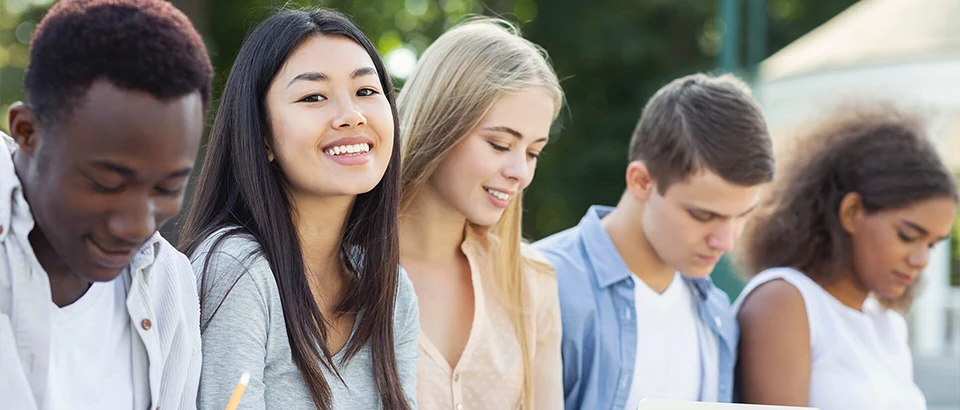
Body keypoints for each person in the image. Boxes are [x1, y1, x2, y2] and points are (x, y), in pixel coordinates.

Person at [179, 8, 417, 410]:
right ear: (263, 136)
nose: (351, 115)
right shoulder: (238, 270)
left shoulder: (391, 290)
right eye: (313, 97)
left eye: (366, 91)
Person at [0, 0, 213, 409]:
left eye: (167, 188)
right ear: (27, 133)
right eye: (105, 183)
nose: (136, 226)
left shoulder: (168, 282)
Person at [534, 73, 775, 409]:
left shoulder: (717, 314)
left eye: (742, 216)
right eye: (703, 216)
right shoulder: (541, 283)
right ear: (642, 181)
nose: (725, 242)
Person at [734, 110, 957, 410]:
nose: (921, 260)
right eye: (907, 236)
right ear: (851, 212)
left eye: (931, 245)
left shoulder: (888, 325)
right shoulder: (785, 301)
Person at [396, 18, 565, 409]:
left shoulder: (532, 283)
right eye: (500, 144)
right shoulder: (340, 269)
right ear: (442, 123)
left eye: (533, 152)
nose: (520, 172)